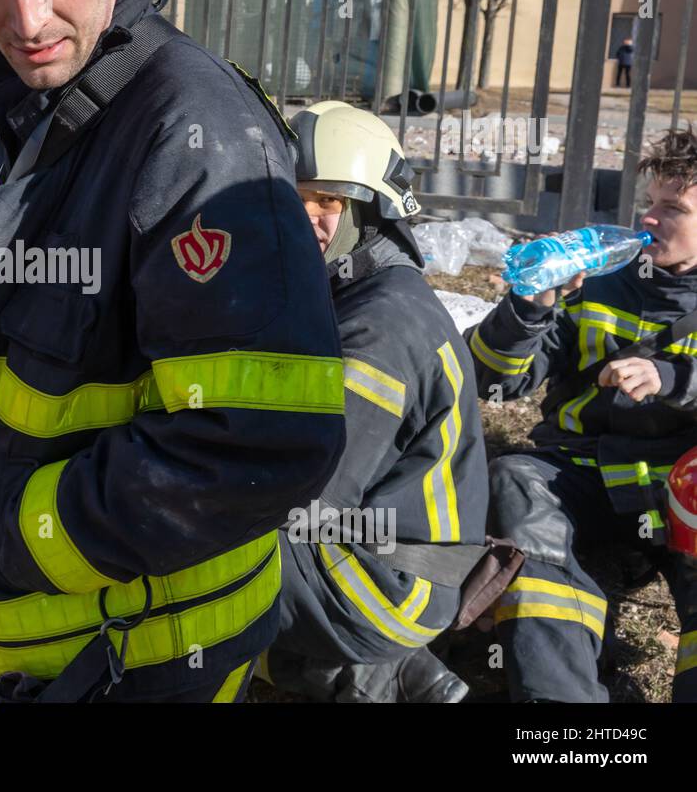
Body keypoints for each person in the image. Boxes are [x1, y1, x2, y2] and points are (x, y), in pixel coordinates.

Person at [0, 0, 345, 703]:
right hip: (55, 651)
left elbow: (265, 438)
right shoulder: (46, 101)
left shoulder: (191, 132)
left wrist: (19, 534)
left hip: (137, 659)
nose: (25, 22)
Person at [259, 102, 489, 702]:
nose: (305, 215)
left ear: (373, 210)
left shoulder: (380, 328)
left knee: (189, 544)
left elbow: (305, 493)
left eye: (329, 201)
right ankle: (368, 678)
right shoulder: (355, 295)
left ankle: (359, 670)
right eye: (295, 196)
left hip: (391, 584)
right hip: (372, 557)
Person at [467, 126, 697, 702]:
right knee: (516, 479)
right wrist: (529, 306)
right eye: (649, 203)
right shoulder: (599, 283)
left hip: (681, 486)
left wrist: (671, 379)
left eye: (672, 209)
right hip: (583, 471)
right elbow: (496, 381)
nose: (649, 219)